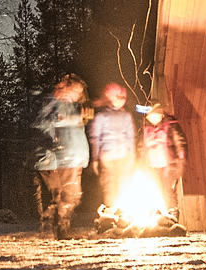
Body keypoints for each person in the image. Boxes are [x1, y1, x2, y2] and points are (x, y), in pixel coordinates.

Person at [33, 74, 89, 238]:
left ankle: (59, 229)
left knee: (70, 196)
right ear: (65, 88)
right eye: (76, 91)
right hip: (67, 157)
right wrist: (78, 119)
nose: (78, 95)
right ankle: (58, 230)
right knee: (67, 196)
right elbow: (53, 123)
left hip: (74, 156)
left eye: (79, 92)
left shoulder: (70, 106)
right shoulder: (56, 104)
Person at [87, 82, 137, 211]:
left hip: (119, 156)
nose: (121, 101)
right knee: (111, 185)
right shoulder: (102, 116)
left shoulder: (124, 116)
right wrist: (95, 159)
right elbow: (95, 138)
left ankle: (119, 212)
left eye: (122, 98)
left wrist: (132, 156)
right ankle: (112, 212)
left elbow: (131, 137)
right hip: (112, 156)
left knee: (117, 184)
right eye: (119, 97)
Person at [141, 103, 188, 212]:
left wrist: (181, 160)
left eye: (155, 114)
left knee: (169, 192)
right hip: (153, 166)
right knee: (154, 191)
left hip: (169, 165)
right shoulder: (146, 129)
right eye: (150, 115)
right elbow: (142, 148)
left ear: (161, 114)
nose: (153, 117)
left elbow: (180, 142)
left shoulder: (171, 125)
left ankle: (172, 216)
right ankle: (159, 219)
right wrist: (143, 164)